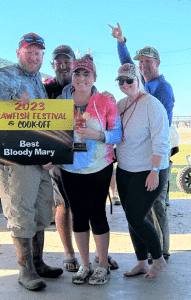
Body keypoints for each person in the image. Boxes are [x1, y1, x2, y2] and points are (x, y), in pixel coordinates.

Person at [0, 33, 63, 291]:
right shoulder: (8, 75)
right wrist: (12, 94)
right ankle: (25, 270)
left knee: (41, 211)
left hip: (38, 160)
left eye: (38, 53)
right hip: (13, 161)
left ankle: (38, 262)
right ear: (18, 53)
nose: (33, 57)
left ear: (43, 57)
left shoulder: (38, 81)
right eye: (29, 52)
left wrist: (48, 154)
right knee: (20, 211)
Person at [44, 45, 120, 272]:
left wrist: (99, 135)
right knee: (75, 214)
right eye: (77, 73)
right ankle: (84, 264)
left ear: (94, 77)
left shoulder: (106, 102)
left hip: (99, 167)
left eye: (87, 74)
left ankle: (102, 264)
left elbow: (117, 133)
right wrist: (50, 154)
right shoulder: (58, 100)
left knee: (97, 213)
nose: (81, 77)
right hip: (69, 168)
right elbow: (50, 132)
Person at [109, 22, 175, 261]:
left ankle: (163, 252)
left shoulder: (161, 90)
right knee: (140, 211)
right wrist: (121, 41)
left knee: (157, 205)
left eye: (148, 61)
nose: (144, 65)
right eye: (141, 62)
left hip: (157, 156)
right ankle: (147, 252)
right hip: (137, 160)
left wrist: (155, 166)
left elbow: (162, 131)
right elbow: (127, 65)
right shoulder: (140, 84)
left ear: (157, 63)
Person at [115, 63, 170, 279]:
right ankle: (140, 261)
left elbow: (162, 141)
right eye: (121, 81)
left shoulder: (152, 104)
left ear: (138, 81)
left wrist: (155, 170)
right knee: (130, 217)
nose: (125, 84)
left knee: (137, 216)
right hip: (125, 169)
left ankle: (158, 259)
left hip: (149, 170)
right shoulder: (120, 104)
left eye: (130, 80)